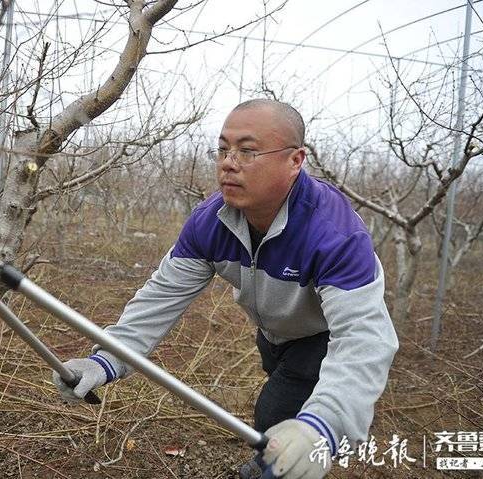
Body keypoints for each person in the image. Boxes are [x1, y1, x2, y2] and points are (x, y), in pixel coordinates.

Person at [52, 99, 399, 479]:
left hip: (321, 336)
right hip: (273, 335)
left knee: (277, 418)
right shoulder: (210, 222)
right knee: (284, 405)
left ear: (295, 161)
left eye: (248, 151)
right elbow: (158, 301)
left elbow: (364, 339)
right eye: (222, 149)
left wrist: (324, 426)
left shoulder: (333, 233)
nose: (228, 162)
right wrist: (104, 360)